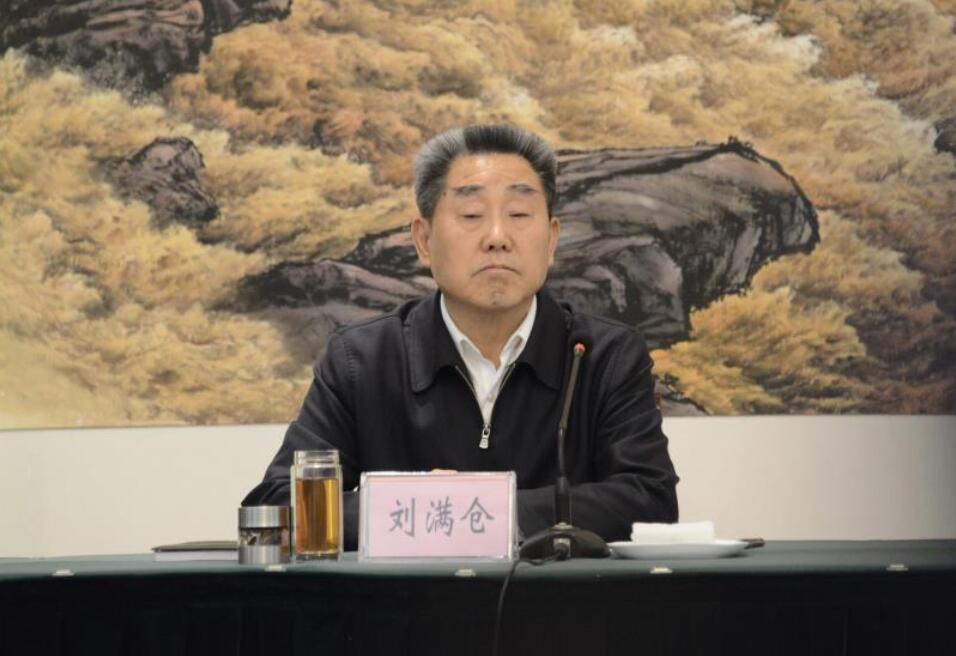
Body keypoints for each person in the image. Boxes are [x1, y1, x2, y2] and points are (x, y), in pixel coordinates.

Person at [243, 124, 679, 549]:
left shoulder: (602, 357)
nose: (497, 238)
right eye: (471, 216)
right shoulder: (363, 360)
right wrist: (421, 507)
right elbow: (277, 507)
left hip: (553, 599)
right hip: (410, 600)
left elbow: (650, 500)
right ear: (423, 240)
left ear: (551, 240)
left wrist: (487, 510)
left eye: (519, 215)